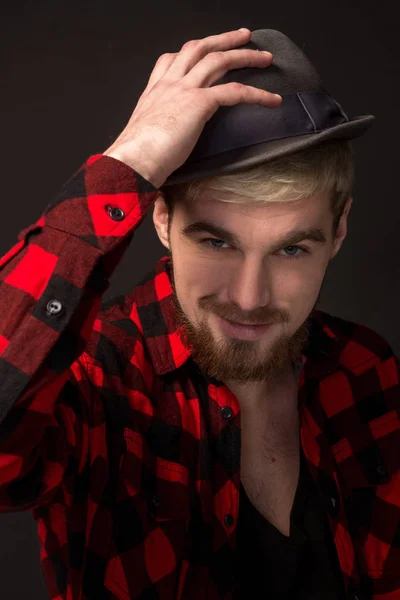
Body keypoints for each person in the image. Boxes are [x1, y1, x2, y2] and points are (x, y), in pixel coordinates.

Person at [0, 26, 398, 600]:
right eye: (217, 243)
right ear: (160, 218)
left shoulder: (365, 370)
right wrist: (130, 162)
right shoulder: (97, 376)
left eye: (291, 249)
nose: (250, 297)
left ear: (337, 233)